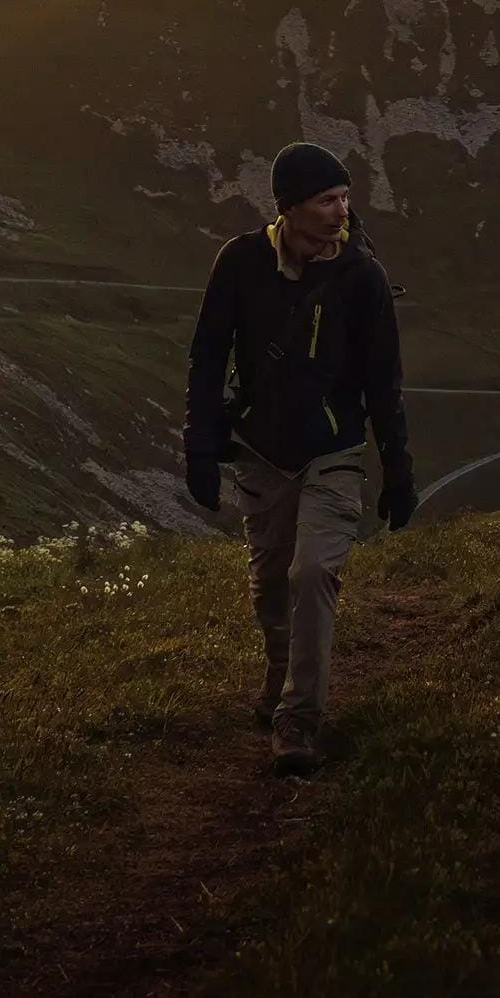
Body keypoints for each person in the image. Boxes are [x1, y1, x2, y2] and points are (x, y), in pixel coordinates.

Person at [184, 140, 416, 773]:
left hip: (333, 453)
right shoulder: (240, 261)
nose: (342, 211)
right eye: (326, 200)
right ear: (288, 207)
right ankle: (281, 675)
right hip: (260, 453)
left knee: (311, 575)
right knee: (270, 582)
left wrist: (397, 470)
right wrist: (200, 448)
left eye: (345, 198)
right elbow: (208, 357)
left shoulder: (362, 277)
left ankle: (298, 722)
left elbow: (384, 382)